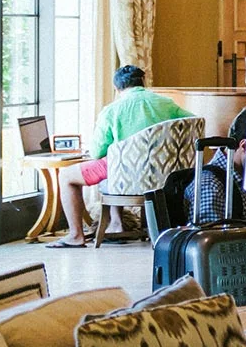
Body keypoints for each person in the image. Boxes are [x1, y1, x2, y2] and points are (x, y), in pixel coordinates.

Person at [58, 67, 191, 245]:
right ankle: (117, 223)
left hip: (124, 175)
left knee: (67, 176)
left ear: (117, 88)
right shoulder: (167, 104)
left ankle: (76, 235)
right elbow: (193, 124)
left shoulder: (112, 110)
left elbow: (97, 152)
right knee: (114, 165)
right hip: (164, 174)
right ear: (143, 82)